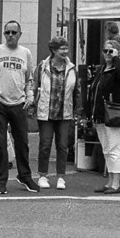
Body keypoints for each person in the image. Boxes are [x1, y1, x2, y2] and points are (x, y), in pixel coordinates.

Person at [0, 20, 39, 194]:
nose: (11, 35)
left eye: (14, 32)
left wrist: (29, 96)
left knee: (22, 142)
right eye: (7, 32)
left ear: (20, 34)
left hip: (18, 103)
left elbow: (29, 79)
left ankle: (25, 176)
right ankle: (1, 180)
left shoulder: (26, 53)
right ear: (4, 34)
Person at [34, 35, 80, 190]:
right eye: (62, 48)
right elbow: (35, 87)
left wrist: (78, 110)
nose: (65, 51)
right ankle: (42, 175)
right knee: (45, 145)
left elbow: (77, 91)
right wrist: (32, 106)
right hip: (46, 112)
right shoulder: (42, 67)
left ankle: (61, 177)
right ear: (53, 50)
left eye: (66, 48)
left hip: (64, 112)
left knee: (62, 145)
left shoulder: (72, 68)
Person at [87, 39, 120, 194]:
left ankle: (116, 184)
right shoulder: (102, 69)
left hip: (115, 114)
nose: (107, 54)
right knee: (106, 149)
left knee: (114, 148)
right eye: (105, 51)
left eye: (110, 51)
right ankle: (110, 182)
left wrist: (116, 58)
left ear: (118, 52)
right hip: (101, 115)